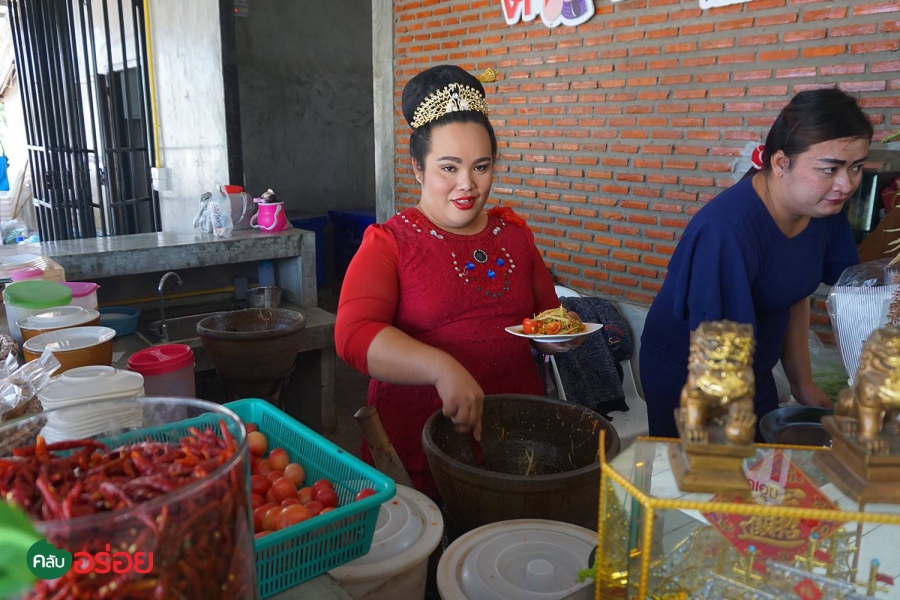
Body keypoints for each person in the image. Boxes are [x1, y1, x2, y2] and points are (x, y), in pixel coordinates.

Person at [335, 65, 578, 497]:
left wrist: (559, 334)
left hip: (514, 439)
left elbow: (544, 316)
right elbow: (353, 335)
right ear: (417, 168)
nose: (467, 185)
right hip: (418, 449)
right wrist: (442, 368)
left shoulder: (515, 237)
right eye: (448, 167)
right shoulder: (391, 243)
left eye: (481, 167)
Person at [640, 88, 871, 438]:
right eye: (830, 169)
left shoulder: (823, 208)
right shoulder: (726, 231)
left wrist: (802, 383)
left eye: (856, 167)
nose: (846, 184)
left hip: (752, 366)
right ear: (780, 163)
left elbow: (795, 294)